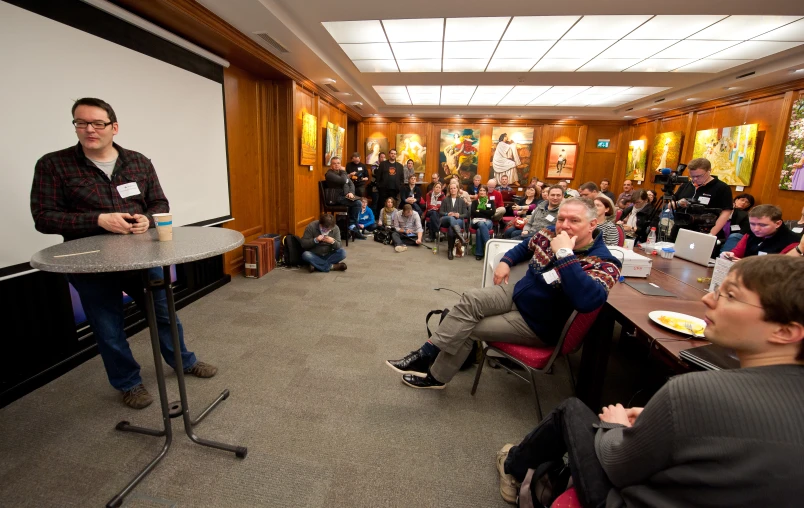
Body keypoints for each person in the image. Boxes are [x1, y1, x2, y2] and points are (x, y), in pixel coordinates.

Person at [497, 255, 804, 507]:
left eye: (730, 295)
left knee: (573, 410)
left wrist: (614, 426)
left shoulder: (694, 391)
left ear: (785, 332)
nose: (709, 299)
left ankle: (513, 465)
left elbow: (617, 462)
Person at [30, 97, 216, 409]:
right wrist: (97, 220)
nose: (90, 129)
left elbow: (159, 203)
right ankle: (128, 383)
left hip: (142, 258)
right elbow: (43, 217)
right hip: (90, 264)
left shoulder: (138, 162)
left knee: (165, 316)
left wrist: (149, 219)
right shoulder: (53, 165)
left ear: (113, 127)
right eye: (81, 123)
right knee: (108, 329)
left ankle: (183, 361)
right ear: (75, 126)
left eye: (98, 123)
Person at [385, 198, 621, 389]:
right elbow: (524, 246)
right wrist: (506, 261)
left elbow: (587, 300)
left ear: (592, 225)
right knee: (471, 299)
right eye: (561, 218)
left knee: (467, 328)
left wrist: (565, 255)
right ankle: (427, 352)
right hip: (517, 294)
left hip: (537, 324)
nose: (564, 225)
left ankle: (435, 376)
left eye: (574, 220)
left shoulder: (603, 262)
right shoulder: (551, 233)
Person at [673, 157, 733, 238]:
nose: (695, 179)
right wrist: (678, 203)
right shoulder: (686, 184)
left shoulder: (722, 187)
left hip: (706, 230)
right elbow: (671, 204)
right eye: (692, 176)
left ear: (709, 171)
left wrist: (711, 234)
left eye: (699, 176)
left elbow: (726, 212)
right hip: (680, 229)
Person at [721, 205, 800, 260]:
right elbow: (737, 252)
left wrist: (745, 264)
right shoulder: (750, 234)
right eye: (752, 224)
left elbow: (778, 268)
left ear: (778, 224)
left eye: (762, 225)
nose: (756, 229)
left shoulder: (792, 242)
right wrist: (729, 255)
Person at [324, 157, 364, 238]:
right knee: (357, 203)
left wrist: (351, 192)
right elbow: (343, 181)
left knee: (358, 201)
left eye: (338, 163)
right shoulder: (329, 174)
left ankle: (352, 227)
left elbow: (351, 184)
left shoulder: (342, 174)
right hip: (335, 198)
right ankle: (352, 224)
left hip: (344, 195)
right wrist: (343, 171)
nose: (337, 165)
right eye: (334, 163)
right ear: (331, 165)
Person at [439, 181, 469, 260]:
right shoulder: (445, 200)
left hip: (458, 220)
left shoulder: (461, 201)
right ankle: (461, 238)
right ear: (449, 190)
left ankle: (450, 250)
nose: (453, 190)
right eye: (451, 188)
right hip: (446, 220)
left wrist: (459, 215)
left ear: (457, 189)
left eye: (454, 188)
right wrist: (447, 214)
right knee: (451, 218)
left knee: (451, 229)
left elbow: (466, 214)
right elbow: (440, 212)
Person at [471, 185, 495, 261]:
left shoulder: (490, 202)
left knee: (479, 230)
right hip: (476, 221)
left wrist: (480, 210)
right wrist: (485, 212)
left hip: (488, 221)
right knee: (481, 224)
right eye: (480, 190)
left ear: (487, 192)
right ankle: (489, 248)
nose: (482, 192)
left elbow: (492, 213)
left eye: (484, 190)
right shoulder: (475, 202)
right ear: (478, 192)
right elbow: (473, 213)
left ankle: (479, 253)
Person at [369, 151, 386, 215]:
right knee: (375, 202)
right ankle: (373, 217)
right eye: (382, 157)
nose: (383, 158)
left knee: (382, 203)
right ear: (379, 158)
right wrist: (382, 167)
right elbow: (374, 172)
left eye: (384, 157)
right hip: (375, 186)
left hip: (383, 187)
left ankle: (380, 217)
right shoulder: (374, 164)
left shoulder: (385, 165)